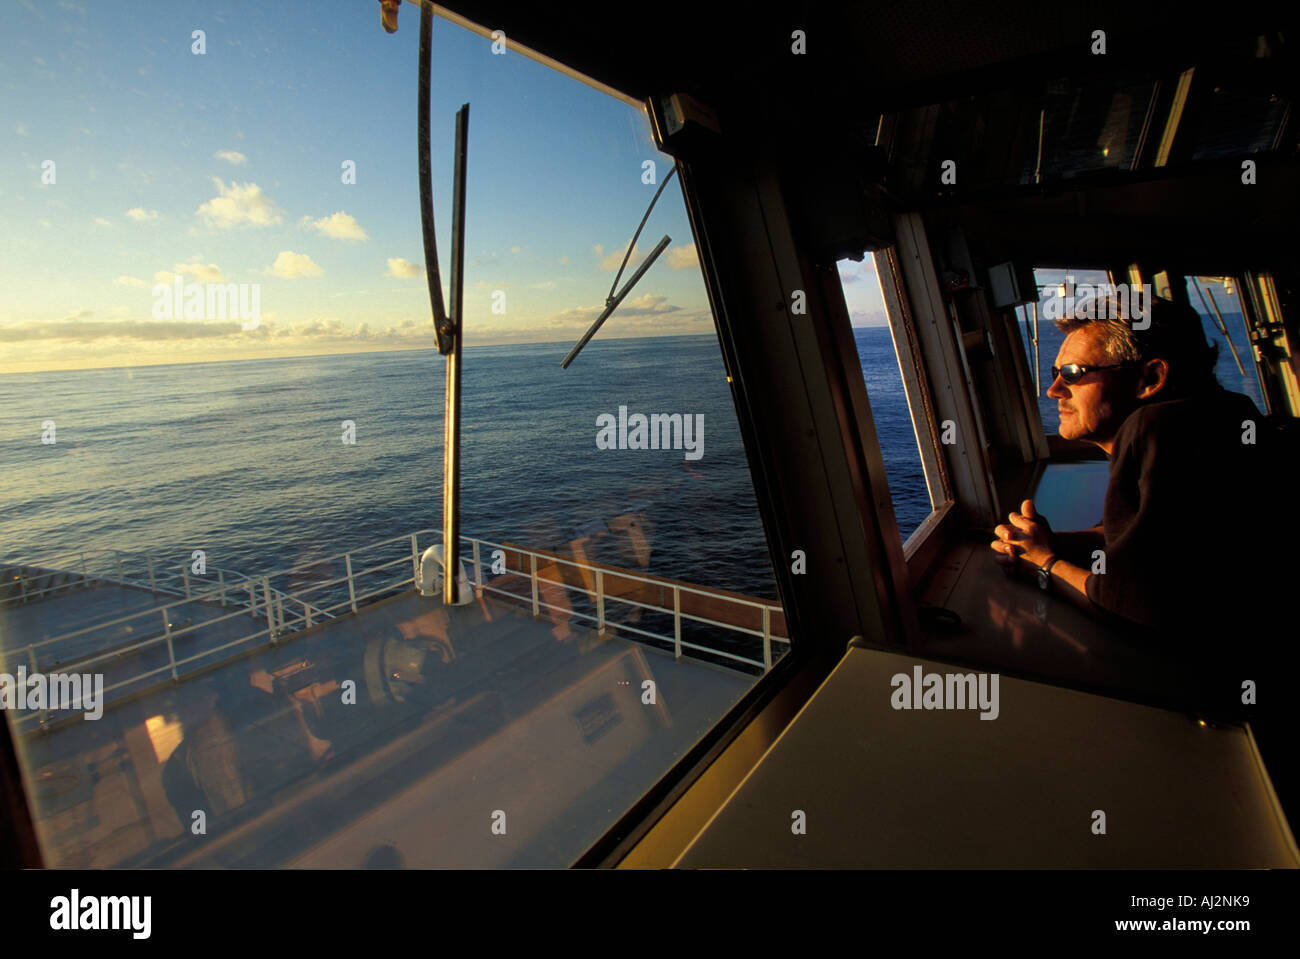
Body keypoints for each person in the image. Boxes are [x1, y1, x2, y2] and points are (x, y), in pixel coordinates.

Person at [990, 293, 1298, 814]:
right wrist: (1058, 543)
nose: (1054, 387)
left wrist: (1043, 561)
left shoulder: (1156, 427)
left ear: (1149, 378)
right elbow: (1156, 536)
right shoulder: (1225, 413)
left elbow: (1130, 604)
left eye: (1074, 371)